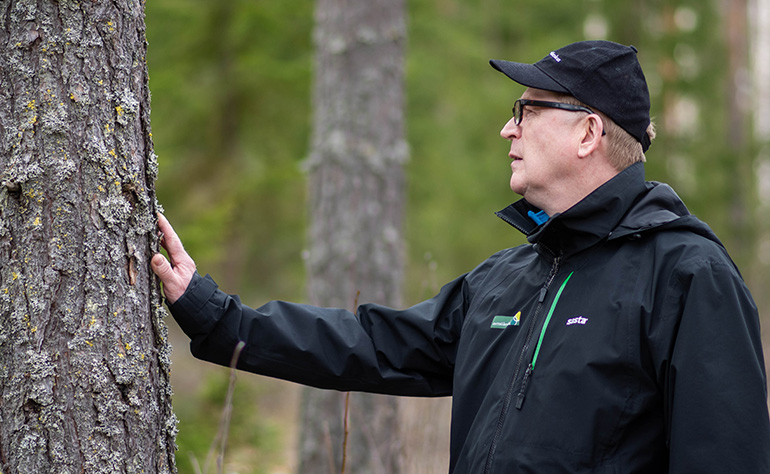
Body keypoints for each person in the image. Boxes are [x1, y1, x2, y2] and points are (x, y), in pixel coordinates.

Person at [152, 40, 770, 473]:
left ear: (588, 133)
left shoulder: (687, 275)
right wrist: (215, 315)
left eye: (528, 110)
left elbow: (726, 457)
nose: (508, 129)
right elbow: (371, 345)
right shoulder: (506, 279)